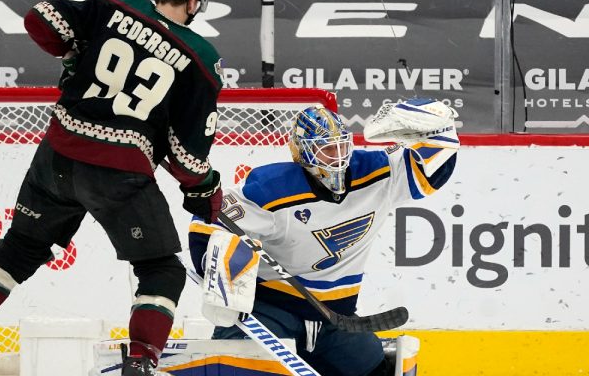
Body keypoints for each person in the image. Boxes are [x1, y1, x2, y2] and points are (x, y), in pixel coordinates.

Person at [0, 0, 224, 376]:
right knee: (160, 270)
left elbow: (40, 19)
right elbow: (187, 159)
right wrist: (204, 189)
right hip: (118, 175)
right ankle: (140, 365)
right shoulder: (200, 60)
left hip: (57, 156)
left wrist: (75, 50)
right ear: (194, 0)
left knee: (22, 247)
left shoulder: (115, 1)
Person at [188, 99, 460, 376]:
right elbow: (207, 222)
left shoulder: (378, 172)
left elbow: (435, 169)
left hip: (335, 319)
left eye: (342, 145)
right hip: (271, 310)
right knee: (239, 367)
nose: (338, 155)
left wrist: (438, 124)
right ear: (303, 153)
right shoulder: (271, 188)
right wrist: (222, 278)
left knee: (379, 369)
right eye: (327, 148)